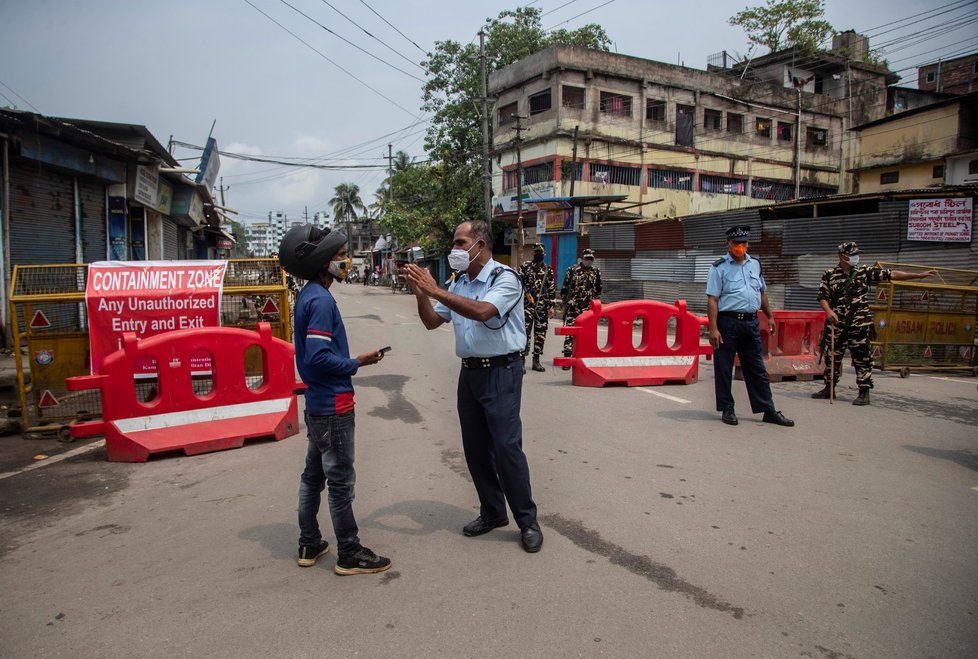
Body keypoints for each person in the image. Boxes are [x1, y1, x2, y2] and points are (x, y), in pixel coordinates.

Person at [403, 220, 543, 554]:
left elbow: (484, 312)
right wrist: (422, 295)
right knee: (476, 449)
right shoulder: (461, 282)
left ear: (480, 245)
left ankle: (527, 521)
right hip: (470, 373)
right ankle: (493, 512)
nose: (454, 249)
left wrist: (436, 290)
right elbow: (432, 321)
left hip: (501, 371)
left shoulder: (505, 279)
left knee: (507, 448)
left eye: (459, 242)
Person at [278, 223, 392, 575]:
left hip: (317, 405)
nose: (346, 261)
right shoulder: (322, 301)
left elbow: (313, 355)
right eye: (341, 256)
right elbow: (317, 358)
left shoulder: (308, 295)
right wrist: (358, 361)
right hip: (333, 406)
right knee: (341, 483)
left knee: (313, 477)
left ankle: (309, 542)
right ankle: (349, 551)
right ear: (323, 261)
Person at [812, 242, 937, 405]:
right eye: (852, 255)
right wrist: (829, 312)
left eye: (857, 254)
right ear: (842, 256)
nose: (856, 258)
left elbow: (893, 274)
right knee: (832, 357)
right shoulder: (829, 275)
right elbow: (823, 296)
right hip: (836, 325)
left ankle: (864, 392)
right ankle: (829, 388)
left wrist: (920, 275)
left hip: (860, 325)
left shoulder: (864, 272)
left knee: (862, 359)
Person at [706, 225, 794, 428]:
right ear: (728, 244)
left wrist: (769, 316)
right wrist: (713, 329)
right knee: (724, 367)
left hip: (751, 322)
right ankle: (727, 408)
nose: (740, 247)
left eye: (743, 243)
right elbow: (712, 299)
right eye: (736, 243)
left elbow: (761, 293)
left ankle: (768, 410)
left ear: (748, 244)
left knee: (756, 367)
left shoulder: (755, 264)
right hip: (728, 322)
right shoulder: (718, 268)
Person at [560, 248, 602, 368]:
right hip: (574, 308)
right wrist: (566, 303)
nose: (589, 261)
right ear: (582, 258)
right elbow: (565, 288)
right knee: (570, 334)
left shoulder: (596, 272)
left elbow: (599, 289)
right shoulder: (572, 270)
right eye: (587, 258)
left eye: (591, 259)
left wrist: (595, 304)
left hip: (588, 310)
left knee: (587, 335)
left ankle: (584, 360)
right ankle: (568, 360)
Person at [519, 243, 556, 373]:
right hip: (527, 306)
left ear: (544, 254)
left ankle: (536, 360)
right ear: (533, 253)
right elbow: (518, 282)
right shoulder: (525, 267)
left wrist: (552, 306)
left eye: (540, 251)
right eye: (536, 251)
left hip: (542, 306)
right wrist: (526, 292)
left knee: (540, 334)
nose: (538, 253)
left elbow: (551, 288)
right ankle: (521, 360)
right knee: (525, 333)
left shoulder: (548, 269)